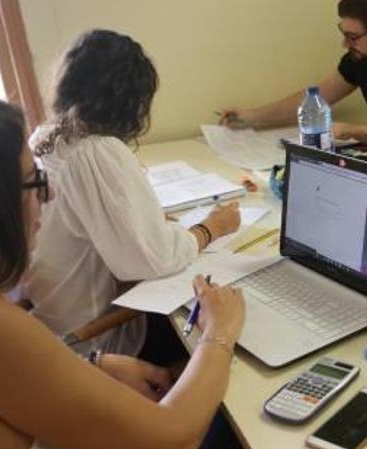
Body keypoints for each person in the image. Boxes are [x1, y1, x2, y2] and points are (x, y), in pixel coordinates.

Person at [0, 89, 245, 449]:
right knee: (246, 429)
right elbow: (174, 442)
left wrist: (94, 364)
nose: (48, 195)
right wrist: (220, 333)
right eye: (34, 181)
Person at [25, 30, 241, 358]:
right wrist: (212, 228)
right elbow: (154, 259)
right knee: (211, 317)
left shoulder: (48, 136)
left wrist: (146, 224)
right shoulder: (97, 150)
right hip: (92, 338)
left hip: (49, 322)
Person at [221, 0, 367, 150]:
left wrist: (350, 129)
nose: (345, 44)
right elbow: (314, 99)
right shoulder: (362, 58)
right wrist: (254, 116)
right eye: (344, 33)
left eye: (353, 37)